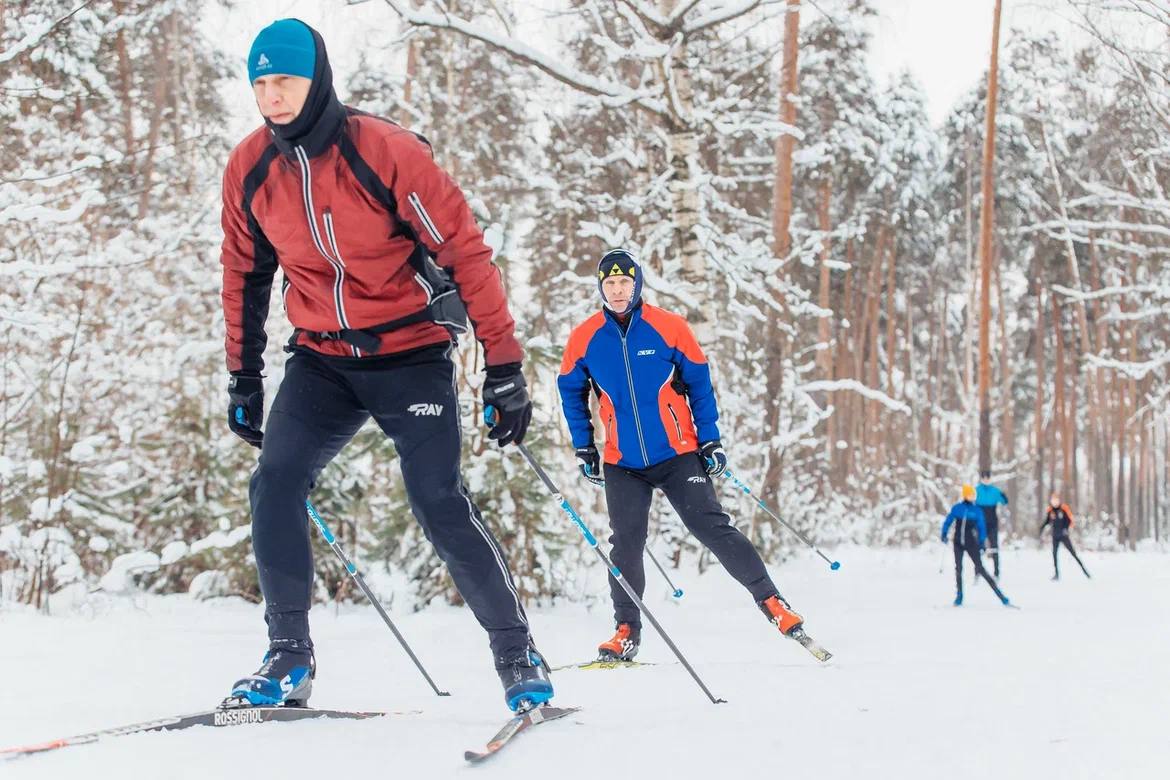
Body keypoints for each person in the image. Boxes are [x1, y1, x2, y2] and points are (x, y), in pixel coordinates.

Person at [219, 19, 549, 712]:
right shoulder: (251, 169)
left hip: (411, 355)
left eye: (285, 80)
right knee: (275, 481)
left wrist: (504, 366)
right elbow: (244, 275)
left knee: (437, 499)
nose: (272, 96)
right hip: (323, 360)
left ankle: (516, 654)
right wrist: (243, 374)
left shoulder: (386, 152)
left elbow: (465, 253)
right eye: (260, 83)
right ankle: (288, 659)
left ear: (318, 80)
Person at [555, 249, 812, 662]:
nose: (617, 291)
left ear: (637, 285)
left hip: (678, 454)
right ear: (601, 288)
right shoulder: (585, 337)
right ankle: (626, 629)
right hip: (623, 462)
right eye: (609, 284)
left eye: (624, 283)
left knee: (713, 529)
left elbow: (699, 384)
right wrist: (584, 444)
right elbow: (570, 390)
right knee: (625, 544)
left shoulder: (669, 327)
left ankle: (773, 604)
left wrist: (710, 440)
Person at [941, 484, 1012, 607]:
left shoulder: (977, 510)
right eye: (970, 494)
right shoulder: (958, 508)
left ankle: (1001, 596)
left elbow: (981, 528)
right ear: (965, 495)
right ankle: (959, 596)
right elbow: (948, 521)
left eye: (973, 494)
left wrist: (982, 542)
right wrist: (944, 533)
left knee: (980, 568)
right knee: (958, 569)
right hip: (957, 542)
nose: (973, 496)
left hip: (971, 543)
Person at [1040, 493, 1091, 580]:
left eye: (1056, 500)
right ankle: (1056, 574)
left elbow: (1070, 520)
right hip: (1055, 536)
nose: (1054, 502)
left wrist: (1066, 529)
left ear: (1058, 500)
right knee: (1054, 555)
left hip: (1064, 535)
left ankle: (1085, 571)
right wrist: (1041, 528)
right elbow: (1047, 521)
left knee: (1073, 554)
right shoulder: (1050, 510)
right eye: (1053, 500)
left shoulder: (1064, 508)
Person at [975, 472, 1009, 577]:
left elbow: (1004, 501)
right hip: (980, 522)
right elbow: (969, 501)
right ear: (981, 479)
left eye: (988, 478)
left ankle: (996, 572)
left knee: (994, 546)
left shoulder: (995, 491)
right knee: (978, 546)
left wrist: (1004, 496)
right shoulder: (976, 490)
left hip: (992, 521)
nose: (986, 480)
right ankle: (978, 571)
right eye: (984, 478)